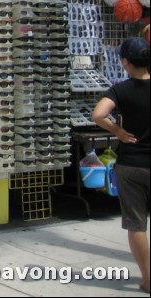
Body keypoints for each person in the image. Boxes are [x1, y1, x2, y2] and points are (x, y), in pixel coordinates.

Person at [92, 37, 150, 294]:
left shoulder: (121, 89)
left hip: (131, 163)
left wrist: (117, 131)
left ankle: (148, 278)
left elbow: (98, 114)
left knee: (136, 224)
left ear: (125, 62)